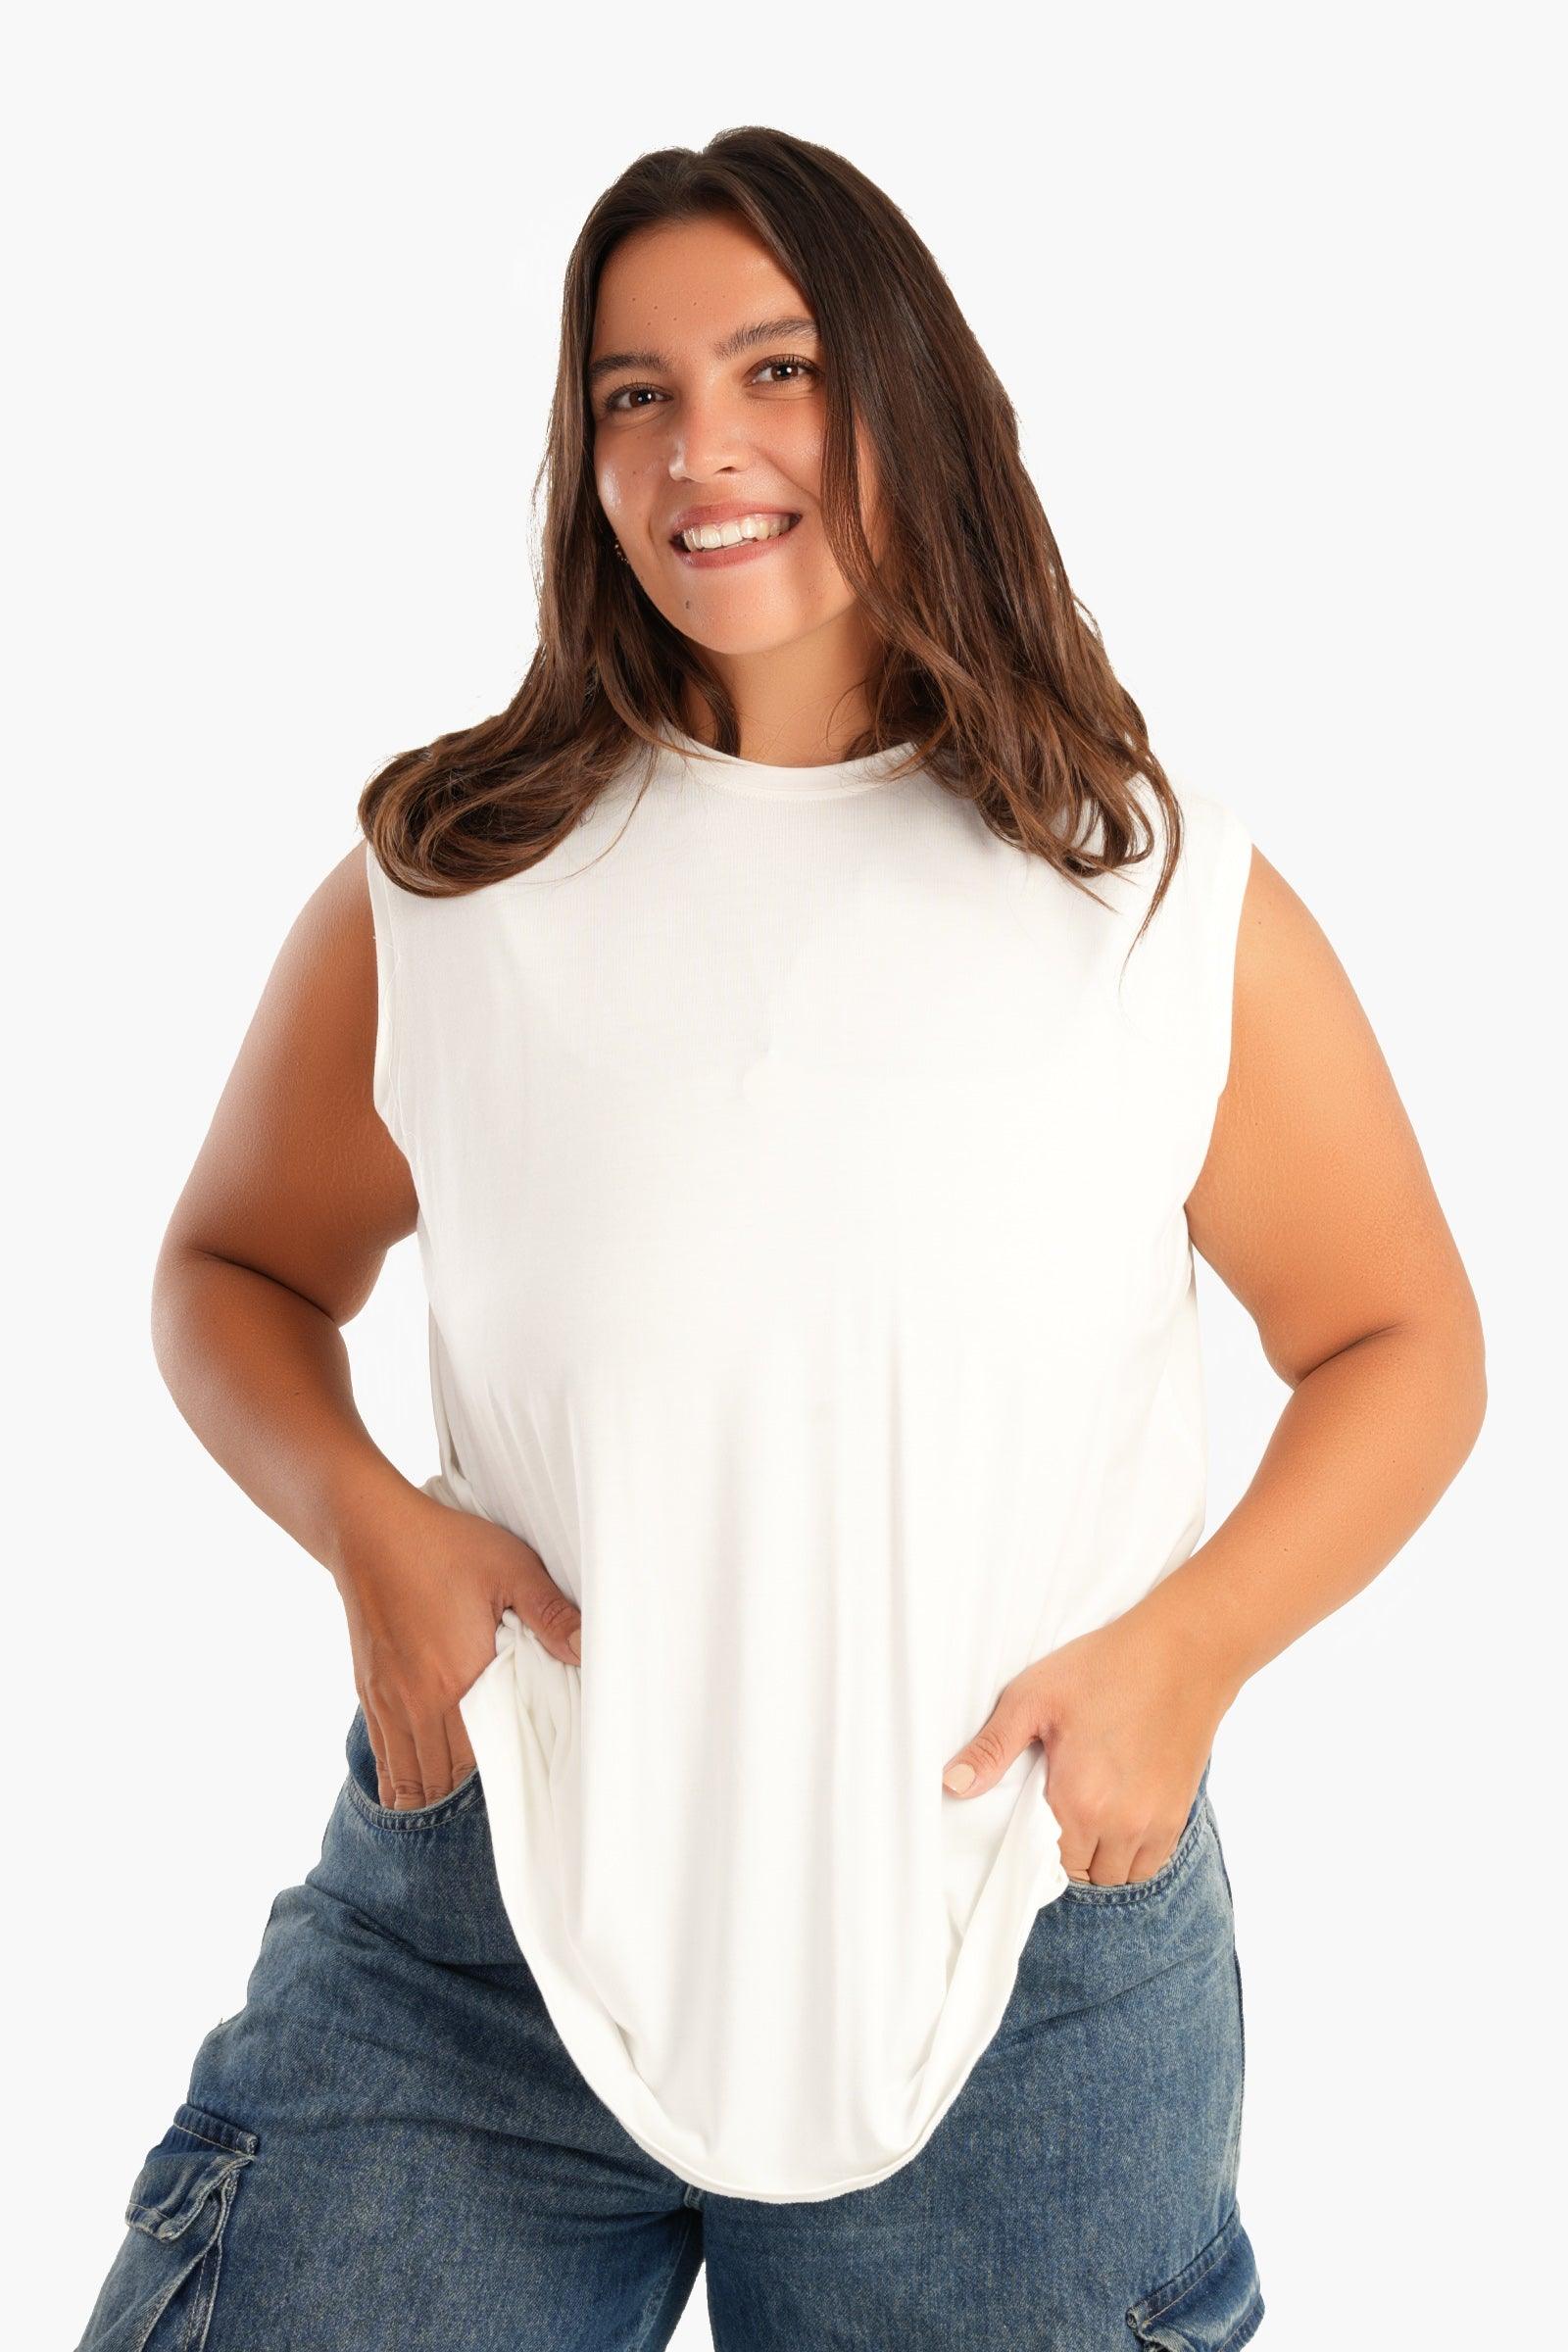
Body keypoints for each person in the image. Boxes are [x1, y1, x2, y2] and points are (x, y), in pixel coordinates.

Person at [76, 127, 1486, 2352]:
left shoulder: (1142, 894)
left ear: (907, 391)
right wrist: (364, 1524)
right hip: (490, 1923)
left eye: (777, 370)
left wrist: (1191, 1654)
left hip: (1012, 1943)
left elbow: (1402, 1340)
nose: (700, 451)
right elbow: (231, 1272)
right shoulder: (452, 883)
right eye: (631, 394)